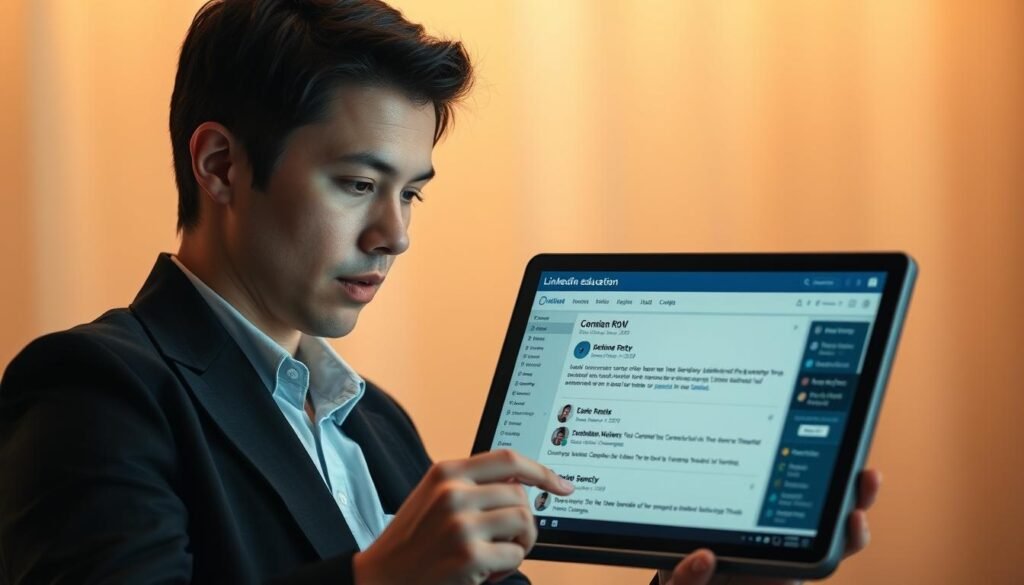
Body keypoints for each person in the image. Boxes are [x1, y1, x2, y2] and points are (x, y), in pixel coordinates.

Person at [0, 1, 880, 584]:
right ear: (221, 165)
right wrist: (379, 580)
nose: (396, 232)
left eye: (411, 190)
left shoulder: (376, 423)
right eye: (356, 183)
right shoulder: (94, 387)